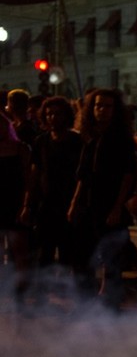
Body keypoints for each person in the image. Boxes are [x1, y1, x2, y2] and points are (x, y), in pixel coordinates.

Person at [67, 88, 137, 308]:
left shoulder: (122, 141)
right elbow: (83, 176)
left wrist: (117, 207)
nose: (102, 110)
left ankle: (112, 303)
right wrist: (74, 203)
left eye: (107, 106)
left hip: (109, 205)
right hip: (88, 205)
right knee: (81, 256)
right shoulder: (90, 138)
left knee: (112, 258)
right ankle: (85, 302)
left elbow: (128, 176)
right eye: (98, 106)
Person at [22, 96, 83, 271]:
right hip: (46, 203)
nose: (52, 118)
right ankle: (45, 292)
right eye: (49, 114)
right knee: (44, 253)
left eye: (57, 114)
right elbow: (34, 174)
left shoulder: (76, 141)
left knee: (67, 253)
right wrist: (28, 204)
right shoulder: (41, 141)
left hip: (69, 201)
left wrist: (76, 202)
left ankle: (65, 291)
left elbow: (82, 175)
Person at [1, 112, 32, 307]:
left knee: (19, 251)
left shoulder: (20, 149)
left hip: (15, 202)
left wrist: (26, 204)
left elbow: (30, 179)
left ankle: (21, 295)